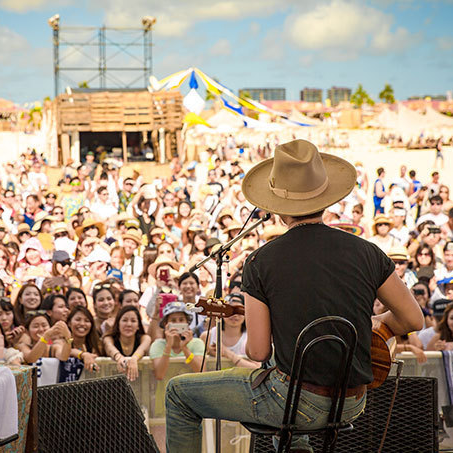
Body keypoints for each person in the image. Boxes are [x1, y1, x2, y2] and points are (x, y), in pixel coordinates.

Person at [164, 139, 423, 453]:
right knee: (282, 371)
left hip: (295, 401)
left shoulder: (260, 262)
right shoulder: (368, 251)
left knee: (178, 393)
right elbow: (413, 319)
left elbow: (258, 351)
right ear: (324, 197)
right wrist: (377, 321)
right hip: (353, 400)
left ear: (277, 206)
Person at [102, 305, 151, 381]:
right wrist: (119, 358)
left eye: (133, 321)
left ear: (138, 325)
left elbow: (142, 349)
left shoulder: (145, 338)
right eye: (124, 320)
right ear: (118, 324)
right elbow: (109, 348)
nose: (129, 324)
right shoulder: (108, 338)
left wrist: (134, 359)